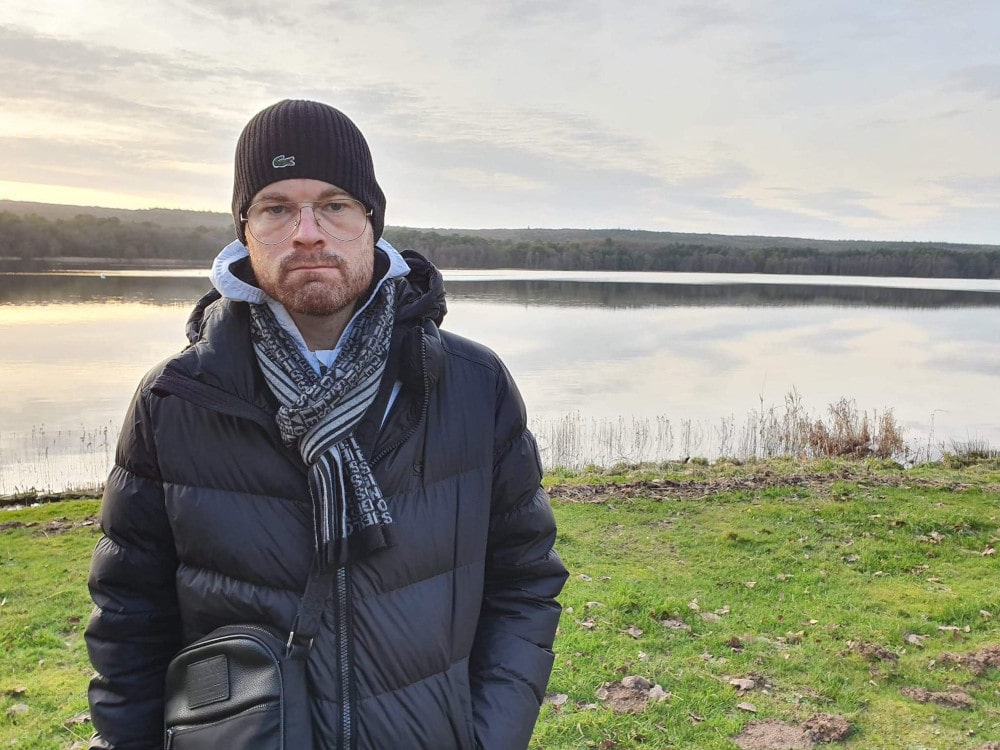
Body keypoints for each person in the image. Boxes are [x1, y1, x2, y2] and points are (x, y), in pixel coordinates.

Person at [84, 99, 568, 750]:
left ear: (372, 223)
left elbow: (526, 582)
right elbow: (129, 625)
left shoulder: (471, 389)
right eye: (277, 208)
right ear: (244, 231)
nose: (307, 232)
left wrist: (488, 736)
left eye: (335, 204)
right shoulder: (175, 403)